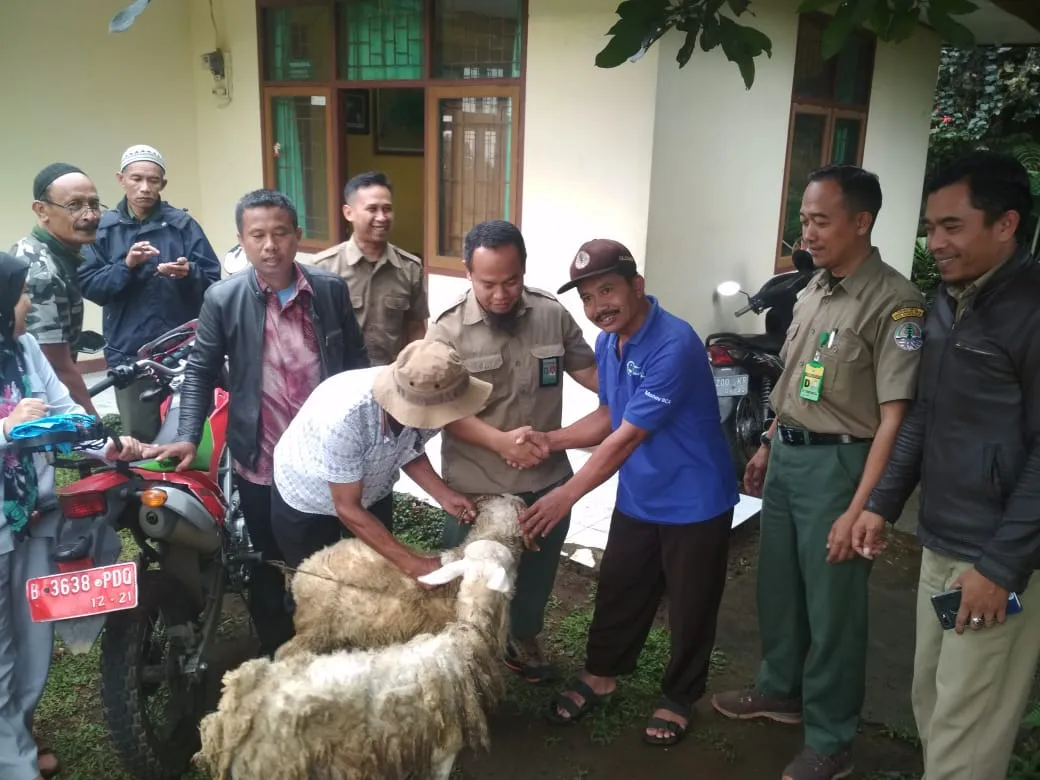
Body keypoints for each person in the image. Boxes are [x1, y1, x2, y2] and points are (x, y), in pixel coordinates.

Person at [711, 165, 926, 780]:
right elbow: (796, 380)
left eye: (820, 221)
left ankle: (832, 739)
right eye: (803, 219)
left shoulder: (896, 303)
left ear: (861, 221)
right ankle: (779, 689)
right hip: (788, 456)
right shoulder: (812, 288)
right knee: (779, 588)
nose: (807, 232)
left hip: (842, 465)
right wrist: (767, 445)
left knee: (834, 608)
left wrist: (862, 507)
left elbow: (895, 418)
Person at [852, 152, 1040, 780]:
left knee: (968, 725)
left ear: (1006, 223)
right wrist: (882, 503)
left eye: (952, 226)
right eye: (930, 227)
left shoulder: (1032, 310)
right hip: (941, 543)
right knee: (933, 701)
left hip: (997, 561)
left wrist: (1001, 567)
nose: (935, 243)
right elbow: (924, 415)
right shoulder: (949, 300)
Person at [516, 239, 738, 746]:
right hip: (641, 493)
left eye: (607, 290)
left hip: (695, 500)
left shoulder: (674, 344)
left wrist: (565, 494)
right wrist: (550, 440)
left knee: (691, 605)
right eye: (587, 298)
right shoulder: (608, 343)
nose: (598, 307)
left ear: (636, 286)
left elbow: (626, 438)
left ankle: (679, 696)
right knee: (620, 586)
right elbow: (611, 415)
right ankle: (601, 674)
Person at [144, 189, 368, 657]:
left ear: (297, 236)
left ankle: (327, 646)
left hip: (322, 459)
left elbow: (355, 365)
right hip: (261, 458)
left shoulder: (328, 291)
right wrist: (187, 436)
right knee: (266, 561)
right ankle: (278, 650)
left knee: (322, 559)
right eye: (258, 235)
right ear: (241, 240)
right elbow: (200, 372)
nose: (270, 246)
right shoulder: (223, 298)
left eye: (280, 233)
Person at [425, 220, 598, 682]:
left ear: (524, 270)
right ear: (468, 273)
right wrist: (501, 443)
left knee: (537, 575)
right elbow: (439, 410)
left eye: (511, 281)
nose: (501, 294)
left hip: (546, 480)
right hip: (477, 486)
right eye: (488, 283)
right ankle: (463, 655)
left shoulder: (551, 314)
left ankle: (522, 637)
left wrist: (638, 391)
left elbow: (589, 371)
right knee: (470, 579)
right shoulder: (446, 331)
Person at [0, 251, 144, 780]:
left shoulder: (25, 349)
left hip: (34, 517)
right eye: (20, 295)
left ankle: (16, 740)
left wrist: (109, 445)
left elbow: (64, 413)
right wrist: (7, 427)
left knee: (32, 645)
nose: (28, 303)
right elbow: (19, 427)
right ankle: (16, 765)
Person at [271, 339, 487, 575]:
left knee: (378, 573)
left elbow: (407, 445)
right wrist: (412, 564)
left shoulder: (424, 392)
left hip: (373, 489)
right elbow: (347, 507)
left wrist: (443, 495)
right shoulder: (345, 419)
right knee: (317, 580)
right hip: (311, 497)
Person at [79, 144, 221, 441]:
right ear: (121, 179)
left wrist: (189, 273)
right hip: (129, 354)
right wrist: (127, 266)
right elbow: (91, 286)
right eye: (136, 179)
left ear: (163, 184)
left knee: (191, 436)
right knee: (140, 441)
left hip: (183, 353)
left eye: (153, 180)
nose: (145, 188)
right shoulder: (103, 229)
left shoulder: (183, 226)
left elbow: (213, 283)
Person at [307, 171, 428, 365]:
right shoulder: (323, 268)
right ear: (348, 213)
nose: (382, 217)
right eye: (372, 209)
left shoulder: (410, 268)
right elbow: (311, 332)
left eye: (387, 209)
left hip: (391, 375)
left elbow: (416, 329)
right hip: (342, 376)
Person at [10, 163, 102, 416]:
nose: (90, 215)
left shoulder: (54, 253)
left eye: (94, 204)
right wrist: (95, 427)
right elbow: (57, 366)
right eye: (74, 205)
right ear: (42, 210)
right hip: (35, 409)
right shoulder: (42, 272)